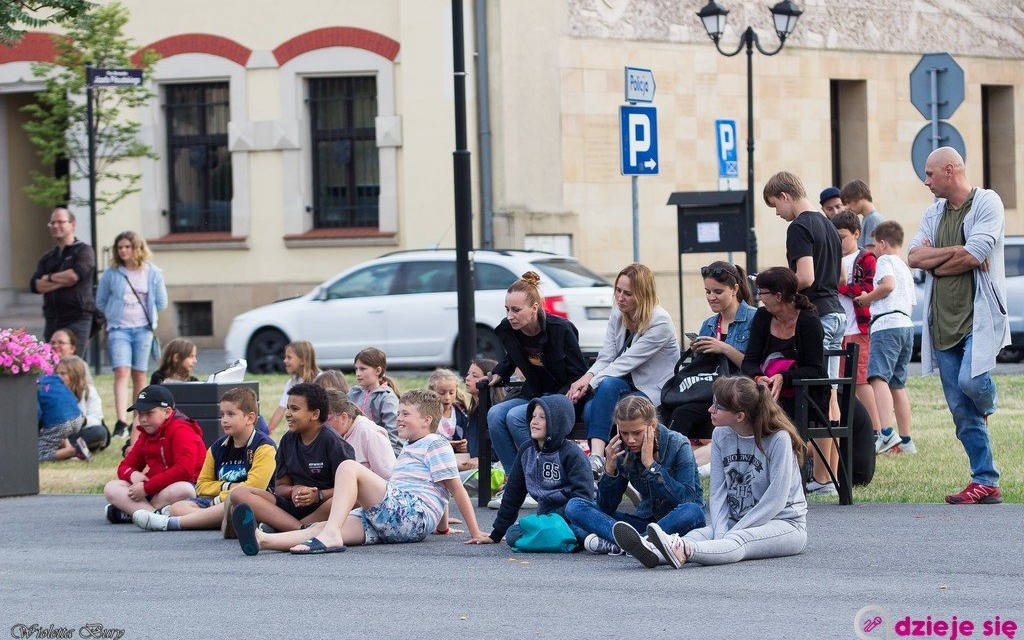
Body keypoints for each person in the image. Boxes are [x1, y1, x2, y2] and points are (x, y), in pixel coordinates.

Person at [232, 389, 491, 555]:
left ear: (426, 421)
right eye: (398, 412)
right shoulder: (413, 447)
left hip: (409, 513)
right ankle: (263, 540)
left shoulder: (435, 443)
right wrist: (442, 528)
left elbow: (454, 487)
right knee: (323, 526)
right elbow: (439, 489)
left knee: (349, 467)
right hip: (397, 520)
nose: (398, 418)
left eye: (405, 414)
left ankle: (331, 535)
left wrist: (476, 531)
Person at [622, 376, 807, 569]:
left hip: (785, 524)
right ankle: (656, 553)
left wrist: (731, 532)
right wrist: (720, 533)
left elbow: (775, 501)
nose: (710, 409)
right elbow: (718, 492)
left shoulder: (778, 439)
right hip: (736, 520)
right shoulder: (720, 434)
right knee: (700, 535)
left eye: (718, 407)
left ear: (740, 416)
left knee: (739, 539)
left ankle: (685, 551)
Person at [908, 147, 1007, 504]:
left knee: (973, 382)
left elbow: (975, 254)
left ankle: (989, 403)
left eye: (930, 174)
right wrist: (954, 255)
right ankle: (985, 481)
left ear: (950, 171)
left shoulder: (987, 203)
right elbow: (913, 257)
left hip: (977, 319)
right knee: (960, 411)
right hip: (942, 325)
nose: (926, 181)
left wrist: (941, 258)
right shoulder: (933, 212)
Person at [764, 171, 845, 496]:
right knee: (833, 394)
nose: (777, 214)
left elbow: (806, 276)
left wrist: (775, 286)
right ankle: (829, 475)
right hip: (837, 311)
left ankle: (823, 478)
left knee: (821, 396)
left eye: (775, 206)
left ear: (785, 195)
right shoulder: (827, 223)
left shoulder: (799, 226)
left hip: (816, 316)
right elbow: (838, 274)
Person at [566, 263, 678, 477]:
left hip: (651, 391)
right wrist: (586, 377)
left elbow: (625, 362)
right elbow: (607, 357)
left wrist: (590, 383)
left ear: (643, 294)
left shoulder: (660, 321)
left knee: (605, 389)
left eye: (627, 293)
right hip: (621, 387)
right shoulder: (619, 313)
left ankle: (600, 460)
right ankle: (606, 464)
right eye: (618, 290)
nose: (620, 298)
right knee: (590, 409)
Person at [567, 396, 704, 563]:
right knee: (574, 506)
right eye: (624, 433)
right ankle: (638, 543)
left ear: (652, 426)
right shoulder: (622, 451)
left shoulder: (678, 444)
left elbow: (686, 498)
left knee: (692, 510)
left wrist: (651, 466)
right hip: (644, 522)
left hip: (677, 521)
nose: (630, 439)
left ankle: (625, 543)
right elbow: (606, 507)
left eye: (637, 433)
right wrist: (610, 471)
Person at [131, 387, 277, 532]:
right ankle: (216, 521)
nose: (224, 420)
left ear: (250, 418)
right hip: (215, 500)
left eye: (231, 414)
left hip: (252, 502)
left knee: (235, 504)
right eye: (222, 414)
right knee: (178, 507)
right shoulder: (217, 448)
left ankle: (170, 523)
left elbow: (254, 487)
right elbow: (201, 485)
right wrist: (226, 488)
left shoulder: (263, 447)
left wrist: (221, 497)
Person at [487, 271, 587, 478]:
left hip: (561, 397)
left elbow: (578, 373)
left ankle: (539, 478)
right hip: (533, 393)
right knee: (495, 414)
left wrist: (559, 397)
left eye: (516, 310)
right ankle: (517, 481)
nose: (509, 316)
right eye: (507, 309)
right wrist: (499, 373)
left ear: (534, 308)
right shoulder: (510, 329)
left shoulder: (560, 330)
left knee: (516, 416)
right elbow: (512, 357)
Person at [739, 268, 828, 493]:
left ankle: (787, 487)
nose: (759, 297)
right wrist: (760, 377)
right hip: (768, 394)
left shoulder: (808, 322)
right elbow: (749, 361)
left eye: (762, 292)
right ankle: (750, 482)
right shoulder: (762, 317)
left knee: (770, 412)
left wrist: (783, 377)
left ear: (778, 295)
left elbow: (816, 369)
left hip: (805, 397)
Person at [228, 383, 354, 532]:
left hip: (322, 506)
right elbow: (280, 487)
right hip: (292, 506)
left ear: (315, 414)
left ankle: (280, 527)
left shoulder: (333, 443)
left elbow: (349, 490)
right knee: (238, 493)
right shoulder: (287, 440)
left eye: (294, 409)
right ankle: (298, 529)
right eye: (288, 407)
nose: (287, 413)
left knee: (346, 501)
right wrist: (294, 490)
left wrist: (318, 495)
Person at [669, 261, 756, 466]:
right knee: (676, 412)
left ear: (735, 289)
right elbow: (702, 370)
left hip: (741, 393)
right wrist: (700, 350)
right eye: (707, 291)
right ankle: (666, 464)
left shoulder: (754, 318)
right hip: (711, 392)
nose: (711, 297)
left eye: (718, 292)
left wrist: (723, 348)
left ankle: (674, 466)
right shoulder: (708, 324)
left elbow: (754, 366)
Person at [488, 394, 594, 547]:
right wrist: (496, 534)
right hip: (544, 518)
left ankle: (569, 539)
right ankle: (557, 540)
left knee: (581, 532)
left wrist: (556, 518)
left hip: (570, 518)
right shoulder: (526, 451)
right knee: (512, 535)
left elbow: (583, 496)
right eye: (532, 417)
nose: (534, 422)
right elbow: (513, 494)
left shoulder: (572, 453)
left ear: (557, 422)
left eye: (542, 417)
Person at [96, 231, 168, 446]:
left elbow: (162, 302)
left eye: (127, 247)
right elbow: (100, 300)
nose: (123, 251)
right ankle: (120, 420)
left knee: (139, 375)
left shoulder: (153, 272)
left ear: (137, 248)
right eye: (120, 248)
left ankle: (138, 418)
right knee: (121, 371)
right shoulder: (112, 273)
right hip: (119, 327)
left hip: (143, 328)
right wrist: (112, 313)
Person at [854, 221, 916, 456]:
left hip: (886, 325)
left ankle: (887, 433)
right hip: (906, 326)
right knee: (897, 385)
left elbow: (887, 286)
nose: (872, 251)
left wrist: (866, 298)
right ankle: (907, 440)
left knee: (877, 378)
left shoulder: (885, 261)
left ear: (882, 243)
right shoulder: (905, 267)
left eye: (873, 246)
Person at [102, 385, 206, 523]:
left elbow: (184, 471)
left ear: (167, 412)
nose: (143, 419)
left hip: (186, 487)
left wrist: (146, 488)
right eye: (140, 414)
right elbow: (125, 466)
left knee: (183, 489)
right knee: (111, 487)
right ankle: (155, 515)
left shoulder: (181, 429)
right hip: (156, 489)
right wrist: (133, 475)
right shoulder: (147, 434)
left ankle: (134, 512)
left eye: (149, 413)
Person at [832, 211, 883, 434]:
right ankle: (859, 430)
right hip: (839, 330)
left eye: (842, 237)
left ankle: (878, 431)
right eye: (835, 238)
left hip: (858, 328)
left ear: (856, 234)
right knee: (844, 383)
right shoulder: (832, 258)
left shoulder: (866, 258)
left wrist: (839, 287)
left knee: (861, 381)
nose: (839, 243)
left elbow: (868, 289)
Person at [30, 207, 96, 358]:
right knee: (51, 364)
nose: (55, 226)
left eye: (60, 222)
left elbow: (74, 276)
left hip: (77, 317)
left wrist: (49, 277)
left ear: (72, 224)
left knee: (73, 365)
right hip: (53, 318)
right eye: (52, 223)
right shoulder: (48, 257)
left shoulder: (84, 251)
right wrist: (63, 280)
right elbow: (35, 285)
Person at [324, 391, 396, 479]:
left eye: (326, 420)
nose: (322, 425)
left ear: (344, 417)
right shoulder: (334, 435)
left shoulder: (367, 431)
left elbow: (389, 476)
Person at [348, 347, 401, 456]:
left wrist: (386, 457)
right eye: (356, 369)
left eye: (362, 369)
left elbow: (393, 434)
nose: (358, 373)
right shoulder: (353, 393)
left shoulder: (387, 398)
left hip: (382, 453)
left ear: (378, 371)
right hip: (357, 450)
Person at [267, 340, 321, 433]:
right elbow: (281, 408)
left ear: (303, 360)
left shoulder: (320, 379)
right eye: (285, 357)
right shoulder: (292, 382)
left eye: (289, 357)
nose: (285, 360)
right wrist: (267, 432)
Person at [55, 355, 107, 451]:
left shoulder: (89, 391)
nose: (58, 377)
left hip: (78, 432)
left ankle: (69, 450)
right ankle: (73, 450)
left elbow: (97, 419)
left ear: (75, 375)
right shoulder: (52, 390)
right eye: (57, 373)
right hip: (56, 434)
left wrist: (83, 420)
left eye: (63, 374)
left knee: (100, 432)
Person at [36, 373, 89, 462]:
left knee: (35, 455)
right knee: (63, 428)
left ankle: (73, 451)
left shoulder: (32, 385)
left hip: (59, 423)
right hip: (77, 417)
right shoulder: (52, 377)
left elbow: (37, 411)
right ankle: (69, 448)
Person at [463, 358, 504, 470]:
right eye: (468, 374)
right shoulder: (475, 409)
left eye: (475, 376)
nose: (467, 378)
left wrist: (482, 458)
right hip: (475, 460)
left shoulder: (491, 411)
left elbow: (498, 446)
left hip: (489, 466)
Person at [427, 368, 470, 454]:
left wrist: (467, 446)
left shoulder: (462, 412)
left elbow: (471, 436)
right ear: (431, 392)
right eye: (441, 393)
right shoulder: (425, 414)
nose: (447, 398)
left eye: (451, 393)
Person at [840, 179, 885, 251]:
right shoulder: (868, 218)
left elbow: (871, 252)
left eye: (848, 202)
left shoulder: (873, 219)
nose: (847, 207)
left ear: (859, 196)